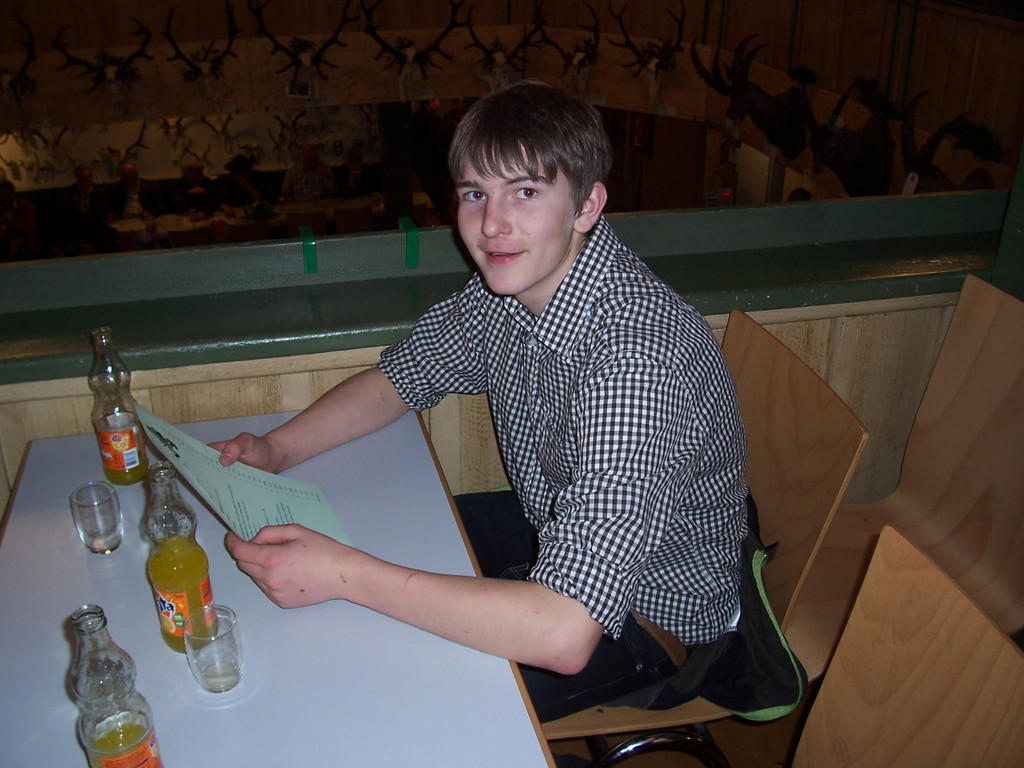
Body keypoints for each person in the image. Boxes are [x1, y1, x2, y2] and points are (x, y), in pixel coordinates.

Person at [215, 81, 748, 722]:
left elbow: (563, 633)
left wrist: (343, 574)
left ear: (587, 205)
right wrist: (275, 449)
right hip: (551, 536)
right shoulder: (513, 288)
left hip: (649, 622)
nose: (492, 225)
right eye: (475, 194)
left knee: (389, 700)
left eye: (525, 192)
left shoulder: (639, 360)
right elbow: (398, 379)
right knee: (372, 538)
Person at [58, 165, 116, 255]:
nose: (83, 184)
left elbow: (100, 215)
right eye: (80, 181)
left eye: (85, 180)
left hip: (95, 228)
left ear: (91, 178)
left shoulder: (100, 192)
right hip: (77, 229)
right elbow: (68, 216)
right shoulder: (69, 194)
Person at [1, 179, 42, 261]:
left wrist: (11, 224)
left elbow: (30, 228)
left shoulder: (25, 206)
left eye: (6, 196)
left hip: (26, 242)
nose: (4, 200)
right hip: (7, 242)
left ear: (13, 195)